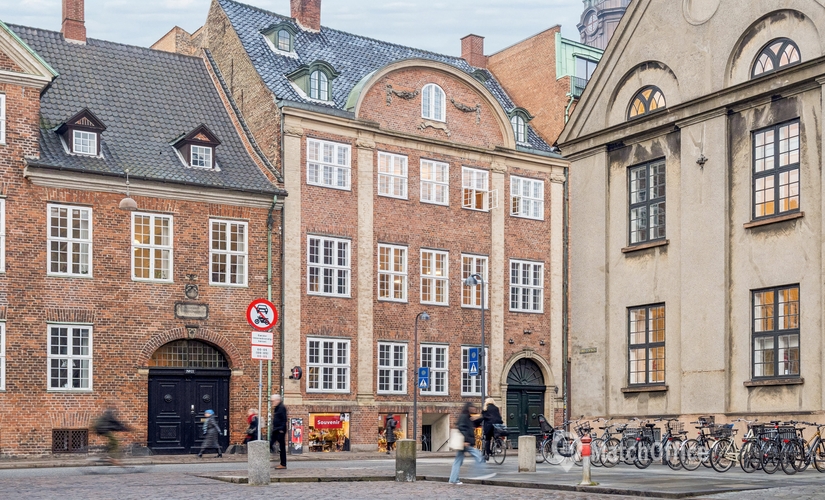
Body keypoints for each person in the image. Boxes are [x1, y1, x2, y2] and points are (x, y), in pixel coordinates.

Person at [449, 402, 495, 485]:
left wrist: (482, 416)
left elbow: (475, 423)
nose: (473, 409)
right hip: (465, 442)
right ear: (468, 408)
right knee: (478, 456)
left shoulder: (468, 417)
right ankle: (480, 473)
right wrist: (465, 441)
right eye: (472, 407)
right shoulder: (464, 417)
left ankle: (453, 479)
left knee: (458, 461)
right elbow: (462, 428)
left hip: (465, 442)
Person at [270, 394, 287, 469]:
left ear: (277, 400)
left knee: (282, 447)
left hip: (280, 430)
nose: (272, 402)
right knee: (270, 444)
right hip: (276, 430)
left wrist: (281, 429)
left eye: (273, 401)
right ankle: (275, 457)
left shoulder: (281, 408)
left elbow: (284, 419)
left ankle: (283, 464)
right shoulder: (277, 408)